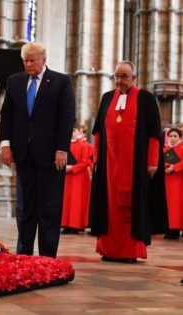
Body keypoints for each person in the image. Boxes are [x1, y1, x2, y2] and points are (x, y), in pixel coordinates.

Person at [0, 42, 76, 258]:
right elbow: (7, 115)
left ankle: (47, 258)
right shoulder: (15, 81)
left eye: (33, 60)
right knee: (25, 209)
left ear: (44, 59)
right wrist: (5, 145)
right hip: (24, 154)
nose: (29, 64)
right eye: (25, 60)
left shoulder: (60, 82)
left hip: (52, 156)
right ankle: (23, 255)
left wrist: (62, 149)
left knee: (49, 209)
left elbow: (67, 117)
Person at [90, 60, 168, 263]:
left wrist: (152, 162)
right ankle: (108, 249)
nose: (119, 80)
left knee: (131, 207)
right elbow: (98, 131)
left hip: (135, 165)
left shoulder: (146, 98)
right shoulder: (107, 97)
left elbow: (153, 135)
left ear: (134, 77)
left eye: (124, 76)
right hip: (109, 165)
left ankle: (130, 251)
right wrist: (97, 157)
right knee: (109, 206)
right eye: (117, 76)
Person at [61, 124, 91, 234]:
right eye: (71, 130)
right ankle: (65, 225)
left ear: (78, 132)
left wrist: (72, 168)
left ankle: (75, 226)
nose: (72, 132)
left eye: (74, 130)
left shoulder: (83, 146)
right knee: (66, 201)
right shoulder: (64, 145)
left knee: (75, 202)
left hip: (78, 177)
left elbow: (85, 162)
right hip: (67, 176)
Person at [163, 127, 183, 239]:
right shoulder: (165, 149)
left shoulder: (182, 148)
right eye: (170, 136)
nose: (172, 138)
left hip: (179, 180)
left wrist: (174, 168)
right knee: (169, 206)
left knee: (178, 206)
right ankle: (170, 229)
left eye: (175, 136)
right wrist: (166, 167)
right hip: (168, 180)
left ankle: (176, 229)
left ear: (180, 137)